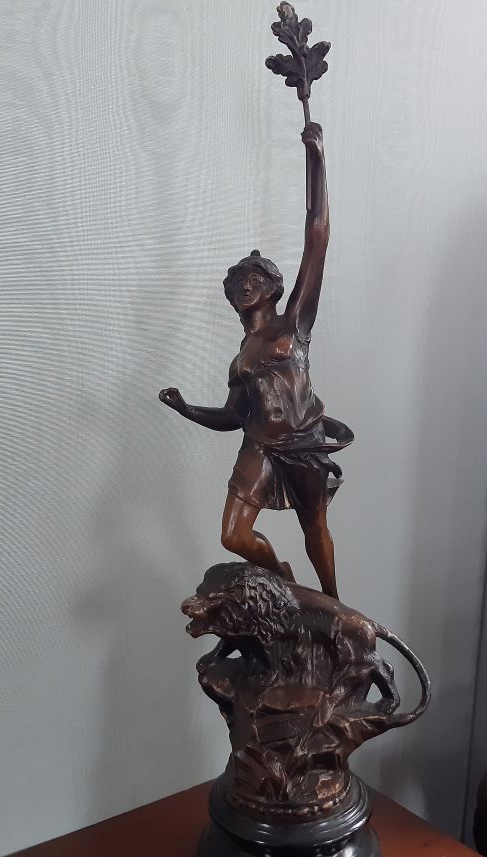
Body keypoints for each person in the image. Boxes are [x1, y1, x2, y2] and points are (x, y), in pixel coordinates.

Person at [160, 121, 350, 598]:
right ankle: (284, 581)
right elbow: (233, 416)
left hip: (303, 442)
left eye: (255, 279)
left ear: (274, 289)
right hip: (259, 445)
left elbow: (318, 236)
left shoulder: (293, 325)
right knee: (233, 536)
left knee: (315, 528)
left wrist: (317, 160)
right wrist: (186, 409)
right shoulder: (241, 358)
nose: (244, 286)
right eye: (237, 283)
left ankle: (332, 603)